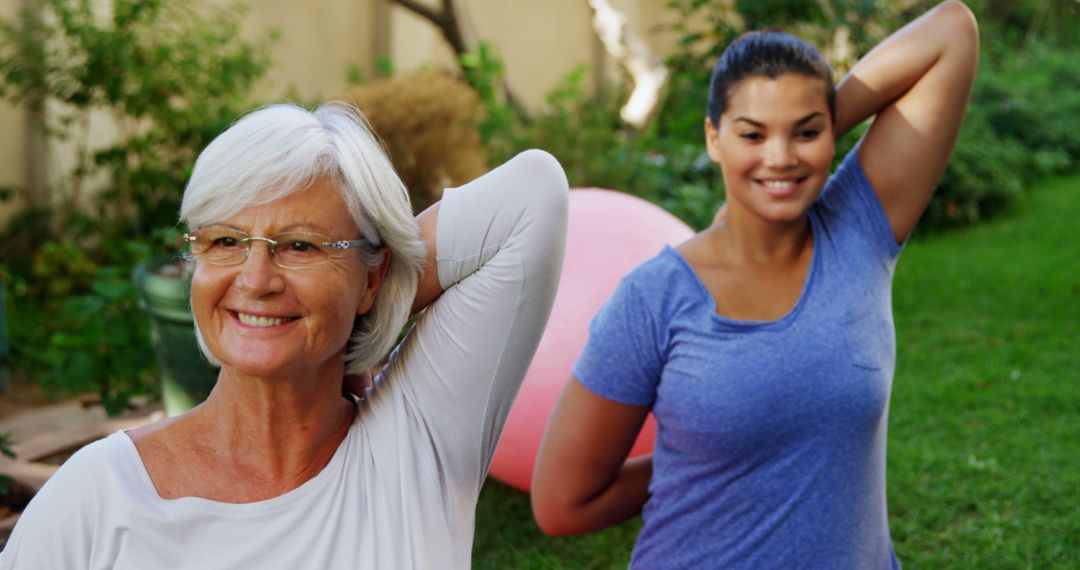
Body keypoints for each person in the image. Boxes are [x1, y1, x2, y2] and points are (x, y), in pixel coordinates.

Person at [0, 103, 569, 569]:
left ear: (372, 277)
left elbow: (531, 196)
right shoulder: (97, 497)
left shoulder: (415, 447)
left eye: (301, 245)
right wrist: (333, 310)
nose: (255, 280)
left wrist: (356, 317)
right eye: (224, 241)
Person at [531, 1, 978, 568]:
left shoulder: (859, 230)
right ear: (714, 139)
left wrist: (798, 135)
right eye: (753, 134)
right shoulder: (654, 298)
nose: (780, 155)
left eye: (805, 132)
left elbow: (951, 31)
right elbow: (561, 504)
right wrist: (694, 463)